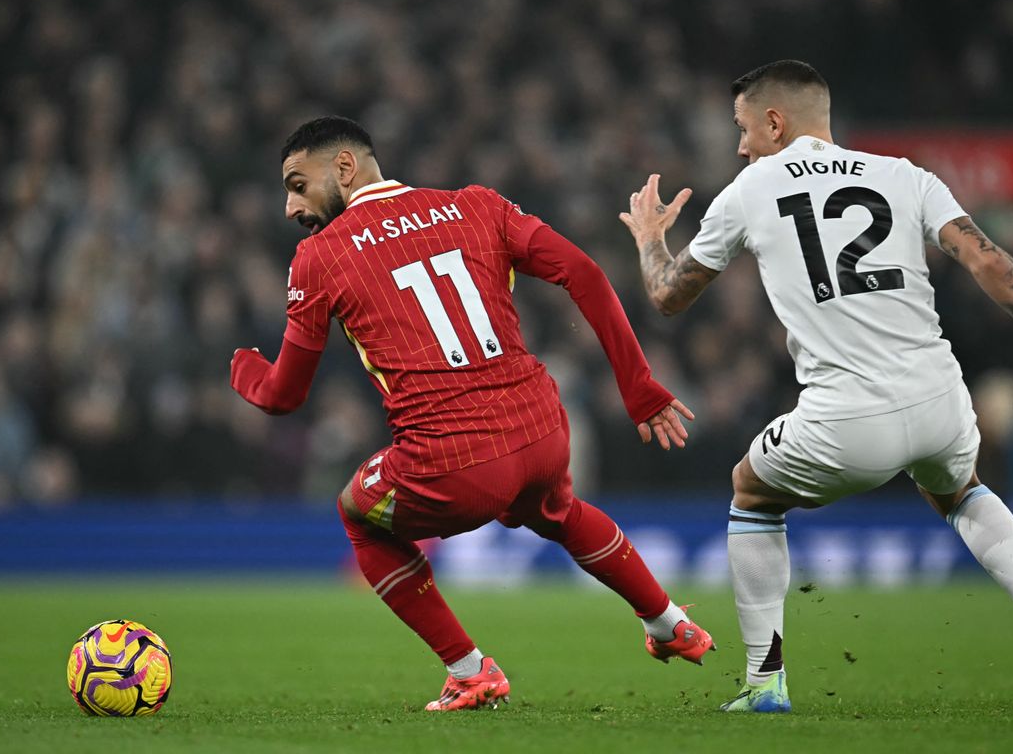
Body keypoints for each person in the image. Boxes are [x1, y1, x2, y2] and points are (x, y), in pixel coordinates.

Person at [618, 60, 1013, 713]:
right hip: (940, 398)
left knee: (749, 489)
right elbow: (987, 259)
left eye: (744, 129)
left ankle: (764, 682)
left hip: (848, 417)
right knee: (961, 490)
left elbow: (667, 296)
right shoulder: (904, 175)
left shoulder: (752, 189)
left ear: (775, 123)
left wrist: (649, 241)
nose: (742, 145)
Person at [231, 116, 713, 711]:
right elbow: (583, 272)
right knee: (556, 510)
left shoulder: (319, 257)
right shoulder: (477, 205)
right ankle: (668, 622)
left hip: (452, 461)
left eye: (297, 184)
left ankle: (470, 670)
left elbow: (284, 396)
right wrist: (638, 386)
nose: (289, 207)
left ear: (345, 168)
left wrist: (244, 369)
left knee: (357, 512)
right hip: (540, 429)